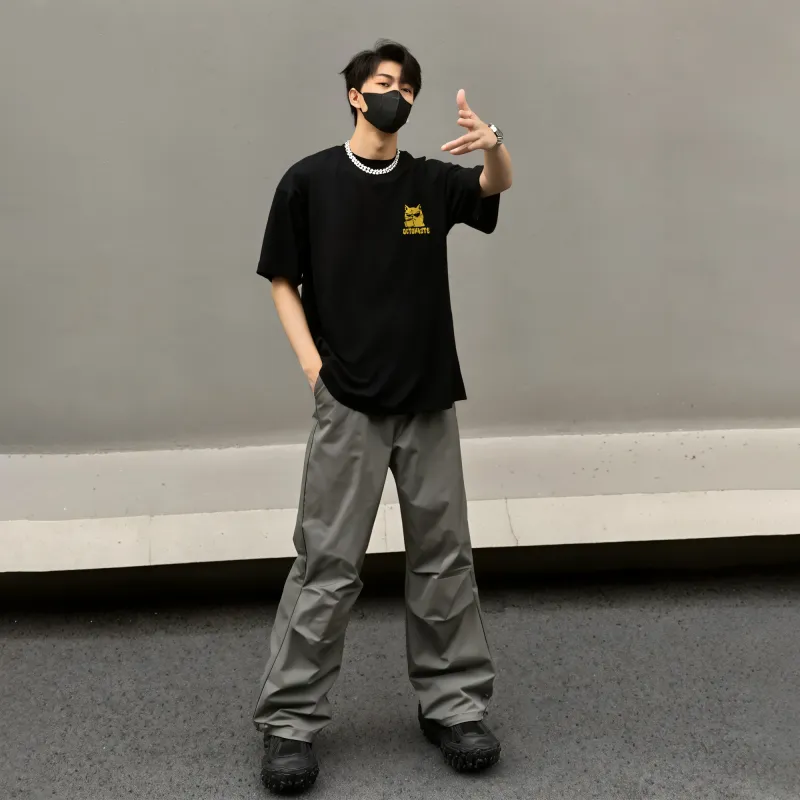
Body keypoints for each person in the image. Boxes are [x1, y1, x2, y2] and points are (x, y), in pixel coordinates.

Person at [252, 39, 513, 794]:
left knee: (444, 559)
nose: (396, 93)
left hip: (427, 399)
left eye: (407, 86)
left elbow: (494, 185)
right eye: (384, 82)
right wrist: (314, 368)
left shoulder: (428, 182)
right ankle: (289, 722)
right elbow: (280, 278)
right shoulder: (309, 182)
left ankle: (454, 707)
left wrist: (494, 144)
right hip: (350, 404)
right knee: (327, 566)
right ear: (355, 95)